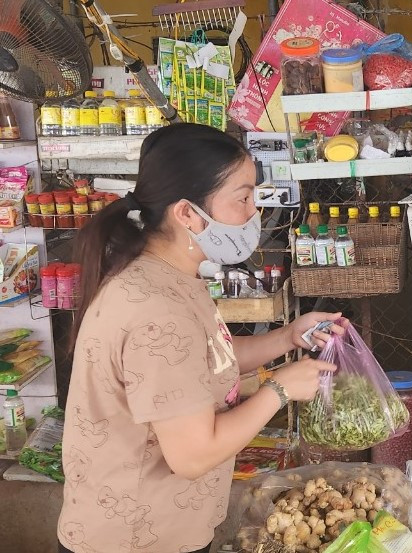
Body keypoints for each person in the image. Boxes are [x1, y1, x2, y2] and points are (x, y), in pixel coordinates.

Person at [57, 123, 342, 553]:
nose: (254, 212)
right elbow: (192, 456)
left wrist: (289, 338)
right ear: (187, 213)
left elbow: (207, 361)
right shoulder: (156, 309)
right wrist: (280, 391)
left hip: (164, 527)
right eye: (243, 197)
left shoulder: (170, 275)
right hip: (135, 538)